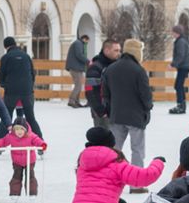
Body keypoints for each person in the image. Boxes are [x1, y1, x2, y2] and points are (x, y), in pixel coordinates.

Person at [103, 37, 155, 176]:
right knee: (137, 150)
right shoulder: (139, 71)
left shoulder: (110, 69)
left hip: (116, 115)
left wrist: (110, 110)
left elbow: (106, 94)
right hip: (136, 117)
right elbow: (146, 95)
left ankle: (110, 177)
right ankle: (136, 182)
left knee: (114, 149)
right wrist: (148, 108)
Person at [0, 114, 47, 197]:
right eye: (17, 129)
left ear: (25, 129)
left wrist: (42, 145)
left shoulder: (31, 136)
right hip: (17, 161)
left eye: (21, 129)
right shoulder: (11, 136)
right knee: (16, 176)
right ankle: (14, 194)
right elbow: (4, 141)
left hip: (30, 160)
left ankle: (31, 193)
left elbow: (37, 140)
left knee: (30, 176)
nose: (19, 131)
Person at [0, 36, 41, 138]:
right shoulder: (26, 56)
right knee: (30, 118)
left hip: (11, 92)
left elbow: (1, 75)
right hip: (27, 91)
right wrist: (29, 86)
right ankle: (40, 141)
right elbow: (33, 73)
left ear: (5, 46)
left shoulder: (5, 57)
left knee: (7, 117)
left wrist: (4, 85)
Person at [87, 37, 122, 128]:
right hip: (102, 112)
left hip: (116, 110)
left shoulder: (118, 65)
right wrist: (100, 110)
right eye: (116, 50)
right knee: (104, 135)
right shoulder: (96, 67)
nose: (119, 53)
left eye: (119, 50)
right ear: (106, 50)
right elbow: (90, 90)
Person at [66, 33, 92, 108]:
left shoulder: (78, 43)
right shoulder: (78, 44)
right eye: (87, 41)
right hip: (75, 68)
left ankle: (76, 102)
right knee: (78, 85)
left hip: (76, 67)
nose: (87, 43)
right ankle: (71, 101)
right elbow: (79, 55)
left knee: (79, 85)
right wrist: (88, 61)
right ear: (84, 39)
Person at [171, 25, 189, 115]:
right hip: (183, 66)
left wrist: (173, 64)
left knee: (178, 85)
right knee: (179, 85)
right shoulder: (181, 41)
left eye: (173, 32)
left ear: (177, 33)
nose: (172, 34)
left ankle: (181, 106)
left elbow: (180, 55)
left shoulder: (180, 42)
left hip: (184, 66)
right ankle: (182, 105)